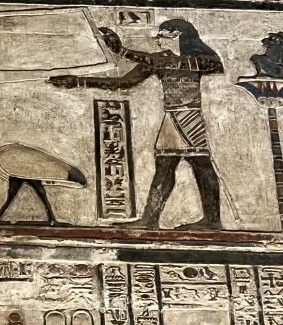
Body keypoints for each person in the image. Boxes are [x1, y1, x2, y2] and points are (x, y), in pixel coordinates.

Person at [50, 20, 225, 230]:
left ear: (177, 35)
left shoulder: (199, 59)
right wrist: (78, 81)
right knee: (167, 166)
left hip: (189, 117)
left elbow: (193, 64)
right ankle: (152, 219)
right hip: (171, 117)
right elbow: (124, 83)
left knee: (199, 163)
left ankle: (211, 220)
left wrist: (122, 51)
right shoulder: (159, 60)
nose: (158, 40)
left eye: (162, 35)